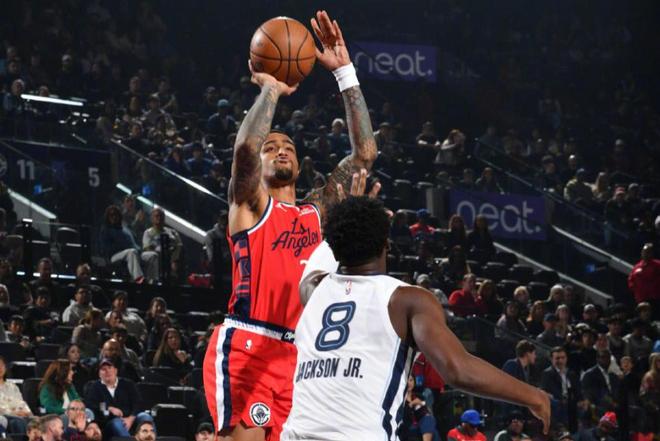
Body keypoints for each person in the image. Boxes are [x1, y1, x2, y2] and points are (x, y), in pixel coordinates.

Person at [203, 10, 378, 441]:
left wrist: (345, 73)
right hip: (250, 343)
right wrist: (271, 89)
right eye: (272, 147)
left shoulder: (316, 212)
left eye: (289, 147)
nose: (281, 150)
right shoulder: (249, 205)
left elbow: (364, 155)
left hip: (301, 356)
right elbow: (245, 150)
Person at [280, 197, 549, 439]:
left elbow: (322, 254)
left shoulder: (312, 290)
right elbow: (458, 370)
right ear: (386, 243)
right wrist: (533, 396)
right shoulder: (405, 300)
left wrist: (343, 218)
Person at [84, 358, 153, 437]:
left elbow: (138, 403)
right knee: (117, 422)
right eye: (103, 369)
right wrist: (108, 408)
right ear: (99, 374)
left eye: (110, 368)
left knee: (145, 417)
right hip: (108, 424)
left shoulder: (128, 384)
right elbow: (91, 405)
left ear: (115, 371)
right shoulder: (94, 387)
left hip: (131, 419)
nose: (107, 371)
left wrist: (131, 418)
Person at [99, 205, 147, 283]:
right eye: (111, 215)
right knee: (131, 252)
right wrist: (123, 246)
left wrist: (140, 250)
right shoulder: (106, 230)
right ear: (108, 217)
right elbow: (105, 249)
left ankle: (152, 279)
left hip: (131, 252)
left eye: (116, 215)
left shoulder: (125, 229)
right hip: (114, 256)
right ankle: (139, 279)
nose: (114, 217)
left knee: (151, 255)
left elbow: (133, 244)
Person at [540, 347, 583, 430]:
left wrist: (582, 400)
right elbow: (543, 390)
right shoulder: (547, 374)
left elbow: (578, 391)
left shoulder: (571, 373)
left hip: (571, 403)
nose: (560, 361)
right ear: (551, 359)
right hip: (558, 404)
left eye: (563, 358)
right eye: (557, 358)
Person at [142, 208, 181, 281]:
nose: (159, 218)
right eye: (157, 216)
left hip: (172, 257)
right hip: (158, 258)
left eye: (161, 216)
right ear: (152, 219)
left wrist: (174, 259)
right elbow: (147, 248)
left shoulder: (172, 232)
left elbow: (179, 246)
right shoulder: (148, 233)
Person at [0, 355, 32, 434]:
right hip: (4, 417)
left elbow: (21, 403)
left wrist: (27, 412)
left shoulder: (13, 386)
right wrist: (13, 413)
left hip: (18, 415)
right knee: (17, 422)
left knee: (37, 421)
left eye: (2, 365)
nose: (0, 368)